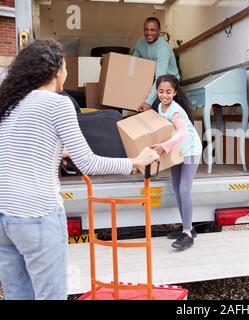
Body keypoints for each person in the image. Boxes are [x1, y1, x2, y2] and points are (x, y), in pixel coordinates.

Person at [0, 39, 159, 300]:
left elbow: (19, 149)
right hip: (37, 215)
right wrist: (134, 162)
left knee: (18, 296)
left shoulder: (9, 102)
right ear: (56, 70)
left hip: (4, 217)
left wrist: (55, 153)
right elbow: (88, 163)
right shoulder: (58, 104)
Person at [150, 74, 202, 250]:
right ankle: (187, 227)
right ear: (157, 91)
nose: (164, 95)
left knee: (184, 189)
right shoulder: (160, 107)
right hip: (177, 151)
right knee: (176, 189)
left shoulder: (176, 110)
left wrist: (163, 147)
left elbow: (183, 134)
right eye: (161, 91)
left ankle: (187, 233)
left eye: (168, 92)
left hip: (190, 150)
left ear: (174, 92)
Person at [134, 17, 180, 112]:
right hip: (153, 80)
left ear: (159, 31)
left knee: (155, 107)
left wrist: (148, 102)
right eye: (146, 29)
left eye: (152, 30)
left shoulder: (162, 48)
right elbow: (133, 63)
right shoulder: (140, 42)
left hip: (169, 82)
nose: (149, 33)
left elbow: (160, 79)